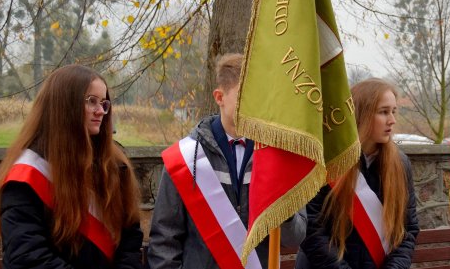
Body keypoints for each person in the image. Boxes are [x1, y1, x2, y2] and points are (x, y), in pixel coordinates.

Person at [147, 53, 306, 269]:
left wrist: (283, 211)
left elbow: (295, 237)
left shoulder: (278, 157)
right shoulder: (186, 158)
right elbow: (164, 241)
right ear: (219, 97)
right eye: (245, 96)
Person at [0, 64, 143, 269]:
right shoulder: (27, 176)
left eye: (104, 103)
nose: (100, 111)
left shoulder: (114, 166)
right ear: (63, 105)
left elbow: (130, 238)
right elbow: (28, 258)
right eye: (91, 101)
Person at [295, 78, 420, 269]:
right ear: (362, 114)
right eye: (383, 112)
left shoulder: (400, 164)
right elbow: (312, 230)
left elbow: (408, 230)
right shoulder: (326, 161)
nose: (392, 120)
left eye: (394, 111)